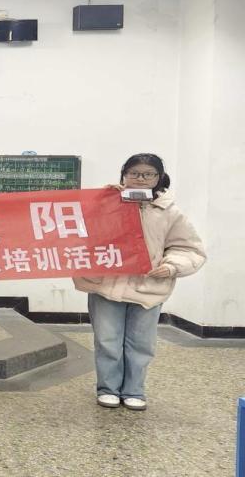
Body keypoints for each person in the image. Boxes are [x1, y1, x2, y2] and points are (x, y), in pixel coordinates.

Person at [73, 154, 205, 411]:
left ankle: (134, 390)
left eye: (148, 174)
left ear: (159, 178)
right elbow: (79, 232)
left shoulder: (169, 212)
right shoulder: (105, 203)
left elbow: (189, 248)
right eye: (134, 173)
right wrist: (100, 201)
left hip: (148, 288)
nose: (140, 179)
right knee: (107, 340)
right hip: (107, 285)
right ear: (124, 174)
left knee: (141, 343)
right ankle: (108, 389)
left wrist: (171, 266)